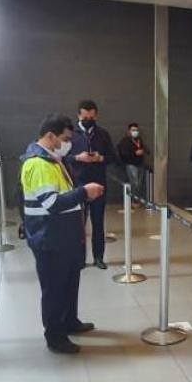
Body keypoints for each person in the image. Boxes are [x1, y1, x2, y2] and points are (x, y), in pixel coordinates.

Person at [20, 114, 105, 354]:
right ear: (50, 136)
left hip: (64, 236)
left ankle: (70, 321)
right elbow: (52, 203)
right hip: (50, 238)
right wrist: (84, 192)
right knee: (55, 288)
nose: (66, 144)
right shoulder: (38, 164)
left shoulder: (53, 160)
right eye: (64, 139)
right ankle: (55, 336)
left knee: (69, 282)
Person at [64, 99, 116, 268]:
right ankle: (80, 259)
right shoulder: (70, 135)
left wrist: (100, 158)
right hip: (78, 184)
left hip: (99, 184)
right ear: (79, 115)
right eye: (85, 117)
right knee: (79, 225)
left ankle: (99, 258)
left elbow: (113, 157)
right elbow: (63, 158)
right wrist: (78, 158)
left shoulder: (103, 134)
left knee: (98, 223)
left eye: (92, 117)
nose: (88, 120)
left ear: (96, 115)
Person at [116, 122, 147, 199]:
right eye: (133, 130)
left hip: (140, 164)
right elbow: (123, 153)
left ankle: (137, 199)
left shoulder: (139, 140)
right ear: (129, 131)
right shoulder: (125, 141)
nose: (135, 132)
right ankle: (134, 200)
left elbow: (142, 149)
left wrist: (143, 151)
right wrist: (135, 153)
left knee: (139, 183)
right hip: (130, 164)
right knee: (134, 183)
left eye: (136, 130)